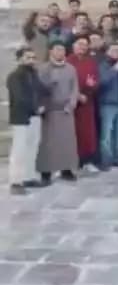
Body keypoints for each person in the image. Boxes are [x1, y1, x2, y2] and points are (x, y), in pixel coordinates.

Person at [37, 40, 79, 183]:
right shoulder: (43, 69)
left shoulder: (71, 69)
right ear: (51, 51)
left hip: (66, 111)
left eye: (62, 49)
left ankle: (66, 170)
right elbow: (39, 90)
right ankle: (46, 171)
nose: (60, 52)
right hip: (49, 111)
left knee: (67, 142)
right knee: (48, 143)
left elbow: (75, 89)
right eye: (57, 49)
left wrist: (71, 104)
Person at [7, 47, 47, 194]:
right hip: (21, 117)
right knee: (19, 150)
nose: (31, 60)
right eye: (27, 58)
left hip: (35, 116)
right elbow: (20, 98)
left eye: (33, 57)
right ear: (19, 59)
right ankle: (15, 182)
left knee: (32, 148)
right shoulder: (15, 76)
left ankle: (28, 177)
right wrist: (36, 108)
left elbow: (43, 90)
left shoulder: (34, 74)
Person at [67, 36, 99, 173]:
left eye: (85, 45)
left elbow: (95, 80)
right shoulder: (68, 61)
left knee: (87, 134)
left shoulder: (90, 62)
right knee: (71, 134)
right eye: (80, 44)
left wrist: (91, 87)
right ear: (74, 46)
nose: (82, 47)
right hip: (70, 103)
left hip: (87, 103)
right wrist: (77, 95)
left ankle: (87, 161)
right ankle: (70, 163)